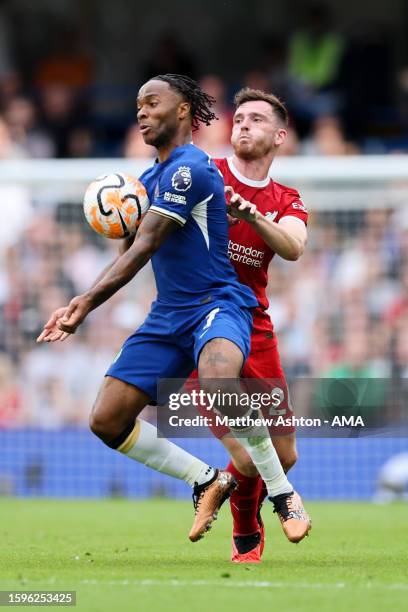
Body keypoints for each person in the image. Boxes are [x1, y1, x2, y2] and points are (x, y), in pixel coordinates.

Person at [37, 74, 310, 545]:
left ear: (183, 110)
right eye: (137, 105)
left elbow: (144, 247)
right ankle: (205, 479)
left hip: (222, 304)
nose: (140, 112)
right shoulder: (149, 179)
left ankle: (282, 494)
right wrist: (118, 210)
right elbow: (128, 246)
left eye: (151, 102)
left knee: (263, 436)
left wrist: (84, 303)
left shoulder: (192, 169)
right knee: (106, 419)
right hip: (171, 316)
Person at [196, 87, 310, 562]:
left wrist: (253, 215)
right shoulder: (206, 174)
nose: (242, 124)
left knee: (285, 455)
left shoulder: (287, 198)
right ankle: (246, 528)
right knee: (245, 455)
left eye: (256, 119)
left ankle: (233, 490)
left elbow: (293, 246)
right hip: (200, 323)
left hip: (255, 322)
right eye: (238, 118)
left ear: (279, 135)